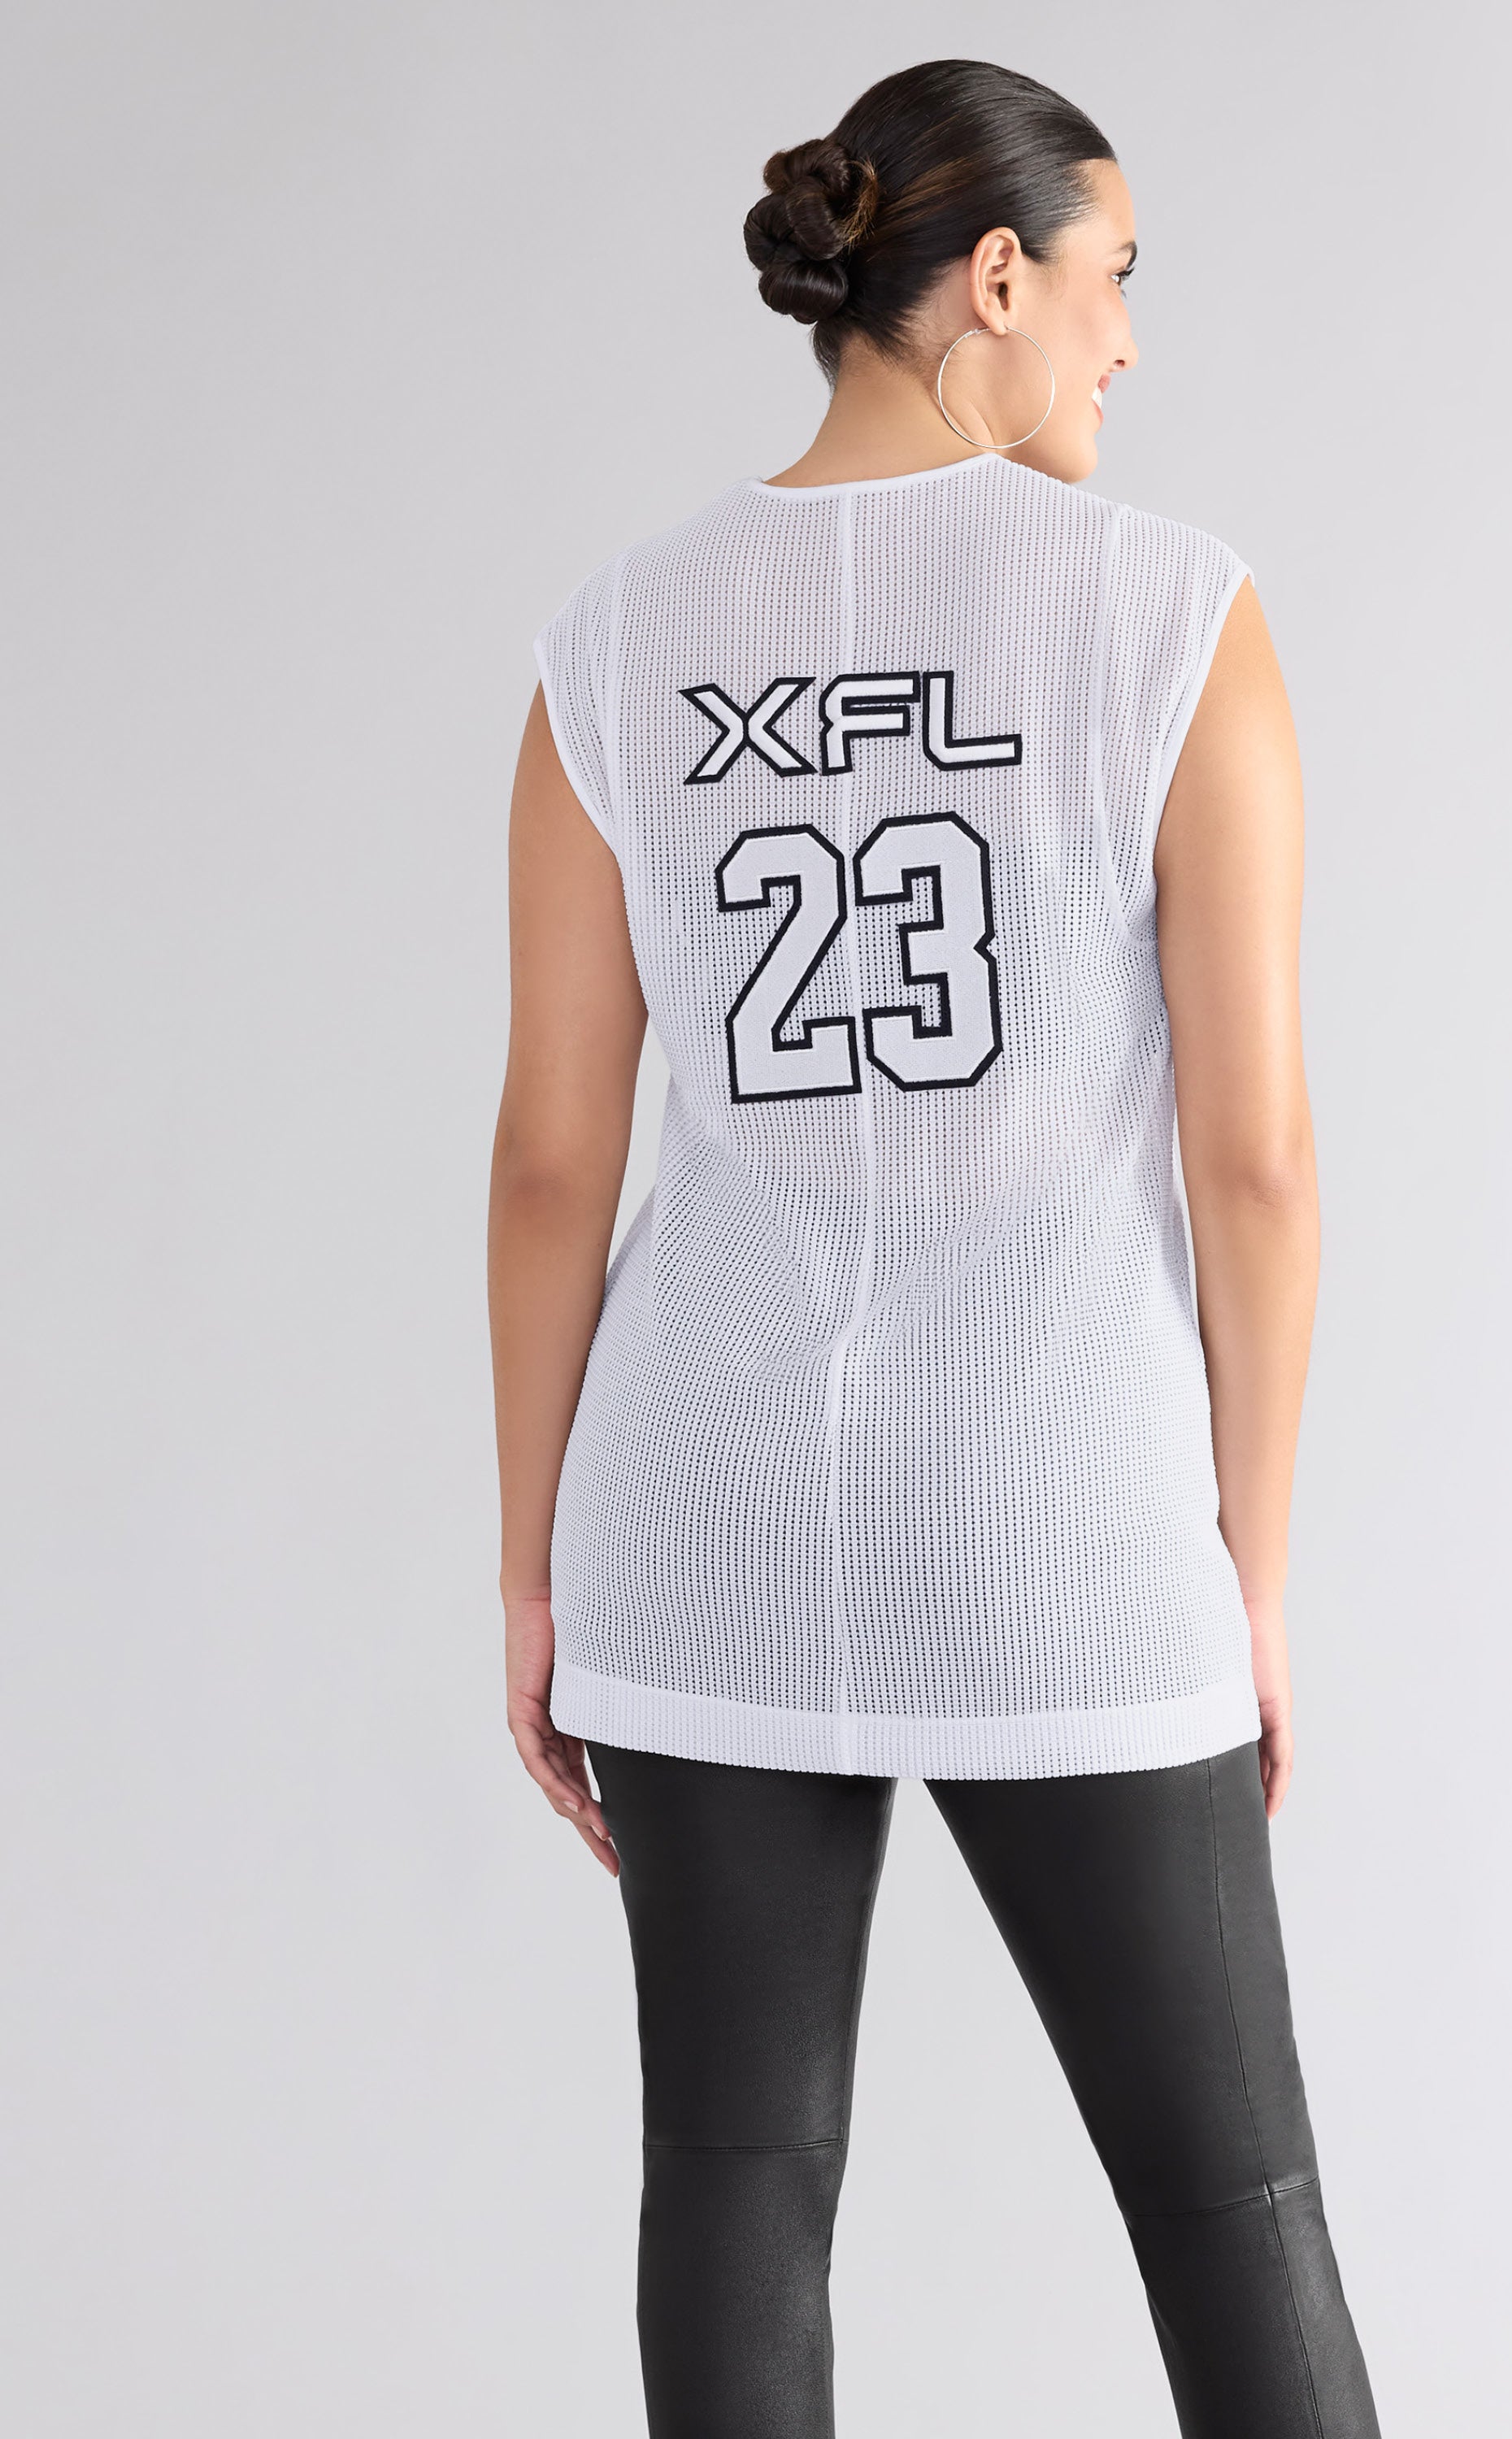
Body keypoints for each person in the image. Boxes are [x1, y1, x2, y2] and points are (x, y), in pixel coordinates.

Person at [489, 56, 1380, 2439]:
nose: (1128, 336)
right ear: (997, 277)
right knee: (1236, 2209)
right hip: (1061, 1509)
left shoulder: (615, 641)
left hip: (705, 1513)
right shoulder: (1174, 617)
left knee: (736, 2183)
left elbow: (556, 1158)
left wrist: (533, 1570)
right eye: (1113, 277)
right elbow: (1257, 1160)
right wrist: (1251, 1571)